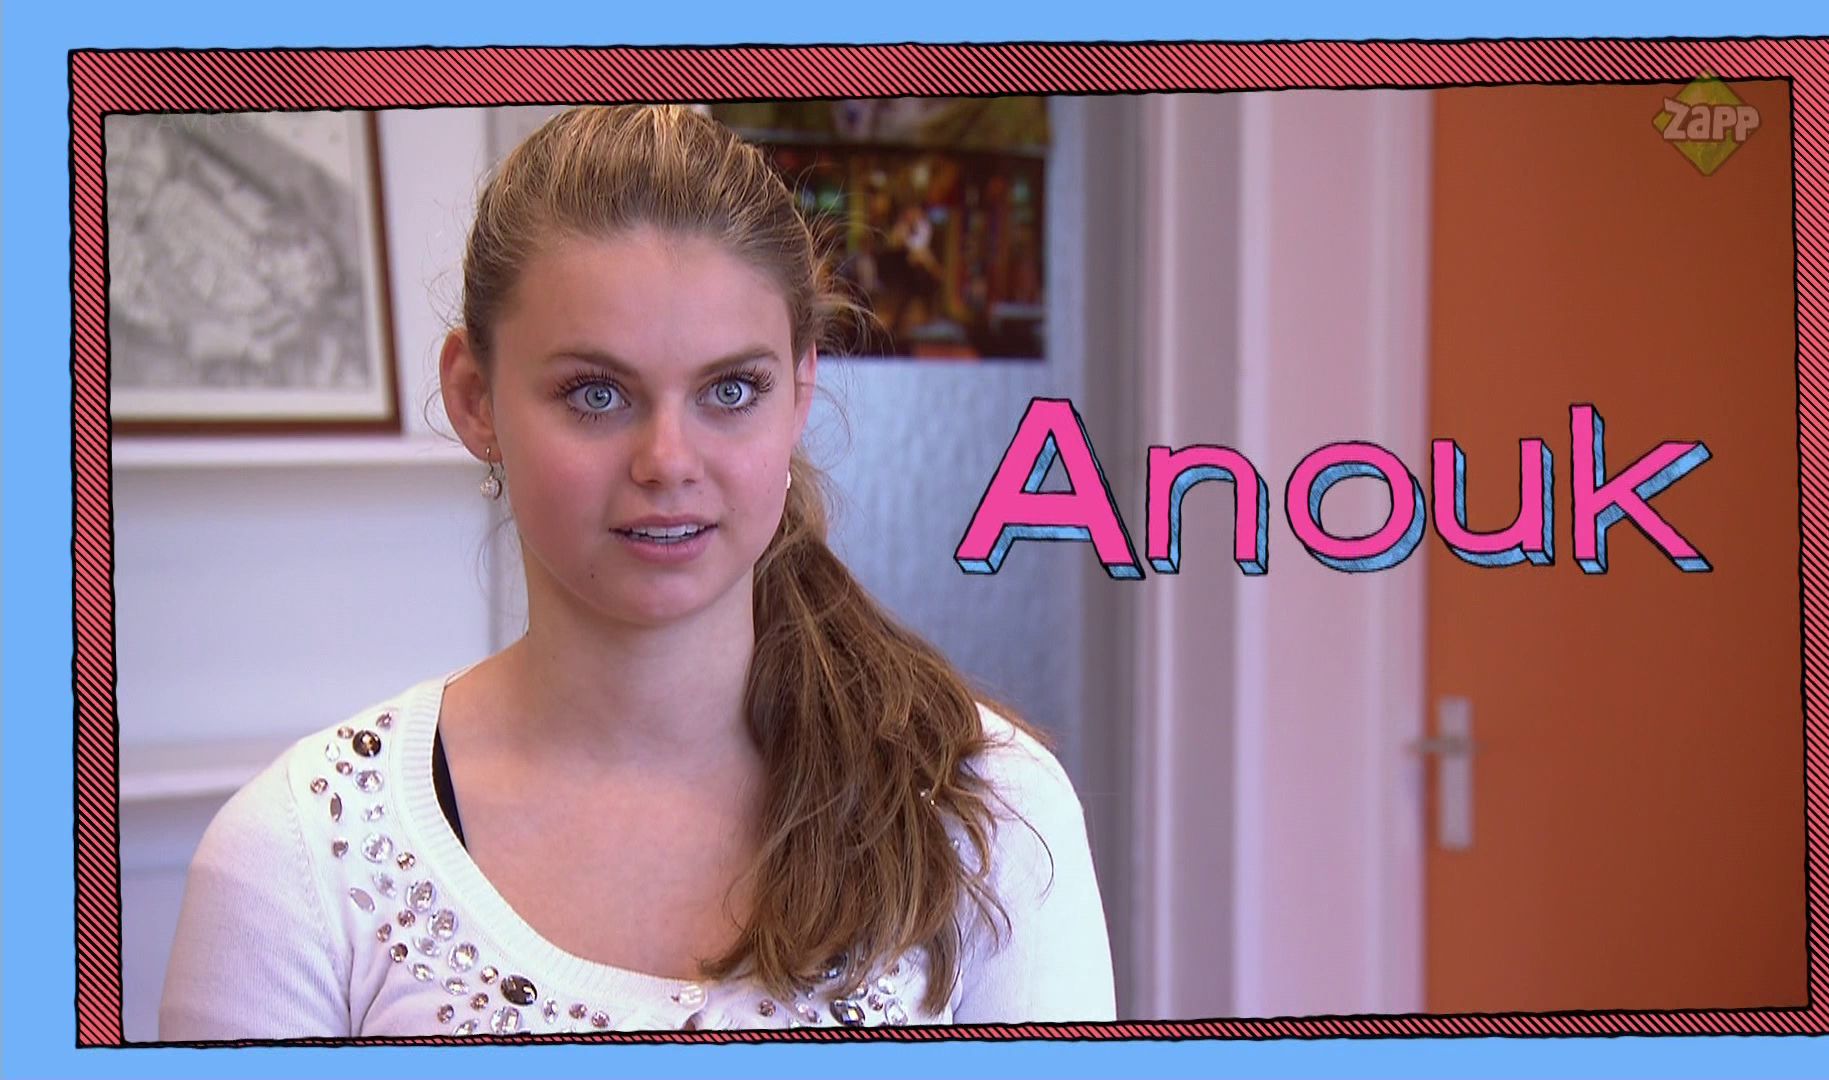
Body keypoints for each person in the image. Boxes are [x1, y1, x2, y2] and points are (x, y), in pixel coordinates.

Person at [157, 104, 1115, 1039]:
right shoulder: (305, 858)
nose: (667, 461)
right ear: (476, 399)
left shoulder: (987, 812)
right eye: (596, 394)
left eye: (730, 390)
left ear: (799, 393)